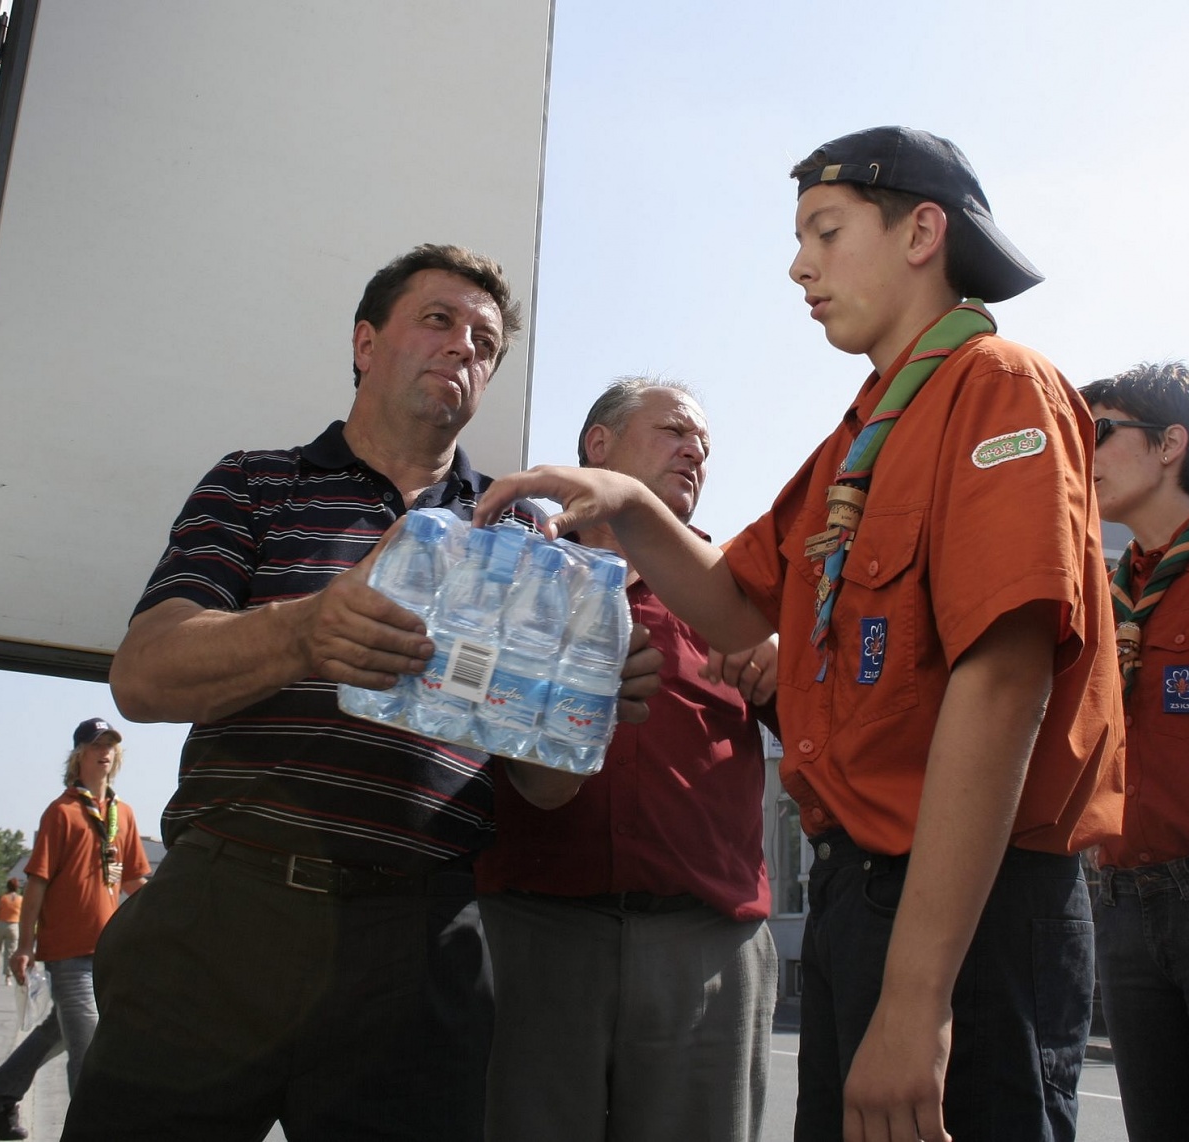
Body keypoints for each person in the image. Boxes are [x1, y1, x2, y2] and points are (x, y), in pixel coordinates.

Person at [476, 126, 1124, 1142]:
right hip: (863, 897)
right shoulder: (856, 444)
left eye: (825, 231)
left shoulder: (998, 385)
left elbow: (1002, 683)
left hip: (970, 911)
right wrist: (629, 505)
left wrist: (917, 997)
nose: (798, 265)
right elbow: (738, 606)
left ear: (922, 232)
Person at [61, 244, 658, 1142]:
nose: (463, 346)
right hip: (225, 913)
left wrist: (580, 703)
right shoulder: (255, 485)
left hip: (420, 942)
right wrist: (305, 629)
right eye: (438, 320)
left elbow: (544, 786)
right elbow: (144, 676)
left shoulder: (526, 536)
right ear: (366, 342)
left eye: (485, 342)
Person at [477, 377, 780, 1142]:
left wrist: (785, 657)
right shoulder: (517, 570)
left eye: (704, 447)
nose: (694, 452)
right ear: (598, 448)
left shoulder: (745, 590)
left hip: (705, 946)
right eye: (675, 431)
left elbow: (829, 732)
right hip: (534, 934)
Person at [1078, 361, 1189, 1142]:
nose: (1083, 451)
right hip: (1120, 906)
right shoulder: (1102, 594)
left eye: (1102, 432)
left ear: (1169, 445)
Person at [0, 718, 150, 1141]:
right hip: (67, 953)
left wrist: (173, 910)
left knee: (59, 1032)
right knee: (88, 1053)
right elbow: (38, 883)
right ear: (79, 756)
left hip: (107, 953)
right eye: (96, 745)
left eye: (111, 745)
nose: (105, 751)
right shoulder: (62, 812)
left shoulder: (123, 815)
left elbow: (135, 882)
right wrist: (24, 946)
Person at [0, 876, 24, 984]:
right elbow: (22, 915)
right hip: (14, 925)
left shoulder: (3, 898)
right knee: (10, 952)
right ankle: (8, 977)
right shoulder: (20, 899)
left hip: (1, 924)